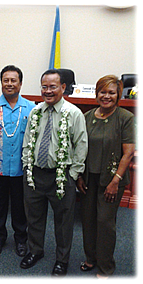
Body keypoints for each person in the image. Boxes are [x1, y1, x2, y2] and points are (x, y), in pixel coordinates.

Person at [20, 69, 88, 276]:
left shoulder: (74, 113)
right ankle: (35, 250)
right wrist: (26, 165)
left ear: (63, 88)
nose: (48, 91)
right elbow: (27, 141)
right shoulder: (35, 111)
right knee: (34, 217)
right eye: (44, 86)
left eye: (53, 86)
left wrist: (73, 174)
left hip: (62, 175)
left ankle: (62, 259)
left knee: (63, 221)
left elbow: (81, 145)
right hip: (35, 173)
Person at [77, 75, 135, 278]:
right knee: (88, 219)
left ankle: (106, 266)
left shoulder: (125, 118)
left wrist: (116, 180)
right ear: (96, 94)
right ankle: (91, 258)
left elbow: (128, 152)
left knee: (105, 223)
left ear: (118, 95)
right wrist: (79, 176)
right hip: (89, 178)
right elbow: (81, 147)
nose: (106, 96)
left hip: (112, 180)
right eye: (103, 92)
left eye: (111, 92)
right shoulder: (88, 116)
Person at [0, 65, 35, 258]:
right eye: (6, 80)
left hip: (21, 168)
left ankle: (21, 239)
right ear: (1, 82)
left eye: (13, 80)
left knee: (20, 206)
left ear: (20, 83)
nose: (9, 84)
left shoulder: (31, 108)